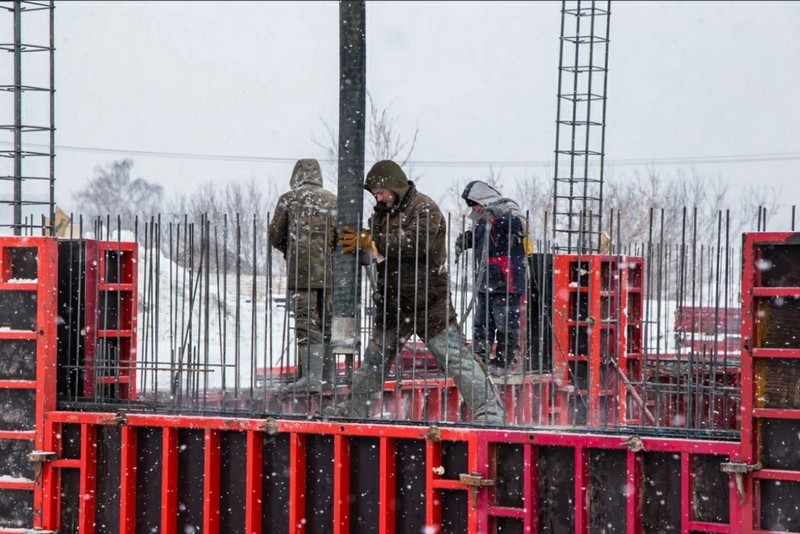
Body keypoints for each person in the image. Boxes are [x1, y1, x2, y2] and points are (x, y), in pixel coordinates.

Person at [325, 160, 505, 425]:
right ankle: (353, 410)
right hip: (394, 301)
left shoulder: (424, 208)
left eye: (381, 192)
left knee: (455, 358)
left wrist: (373, 241)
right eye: (375, 194)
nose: (379, 198)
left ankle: (489, 410)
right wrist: (354, 248)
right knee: (375, 361)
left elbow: (416, 243)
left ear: (395, 186)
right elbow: (378, 255)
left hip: (427, 300)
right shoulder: (381, 215)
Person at [268, 159, 337, 394]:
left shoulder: (289, 199)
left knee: (306, 321)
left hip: (302, 273)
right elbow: (344, 237)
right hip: (329, 273)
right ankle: (327, 377)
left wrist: (293, 251)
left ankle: (311, 378)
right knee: (327, 321)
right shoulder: (333, 200)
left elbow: (275, 235)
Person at [455, 180, 529, 376]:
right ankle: (480, 360)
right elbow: (482, 239)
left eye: (476, 205)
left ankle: (503, 363)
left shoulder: (508, 207)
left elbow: (522, 226)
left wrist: (500, 216)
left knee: (505, 323)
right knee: (481, 324)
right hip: (485, 279)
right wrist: (467, 239)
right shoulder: (480, 219)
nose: (476, 210)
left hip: (506, 279)